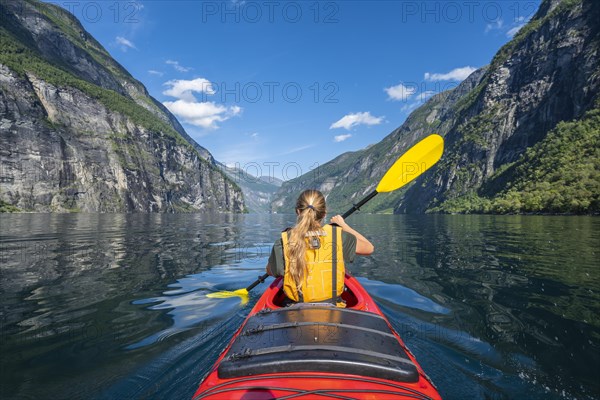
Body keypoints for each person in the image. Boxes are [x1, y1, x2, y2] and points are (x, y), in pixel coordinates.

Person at [266, 189, 374, 305]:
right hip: (333, 309)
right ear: (324, 213)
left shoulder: (284, 242)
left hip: (295, 310)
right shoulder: (338, 237)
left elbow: (271, 271)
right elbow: (369, 248)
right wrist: (343, 225)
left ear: (298, 211)